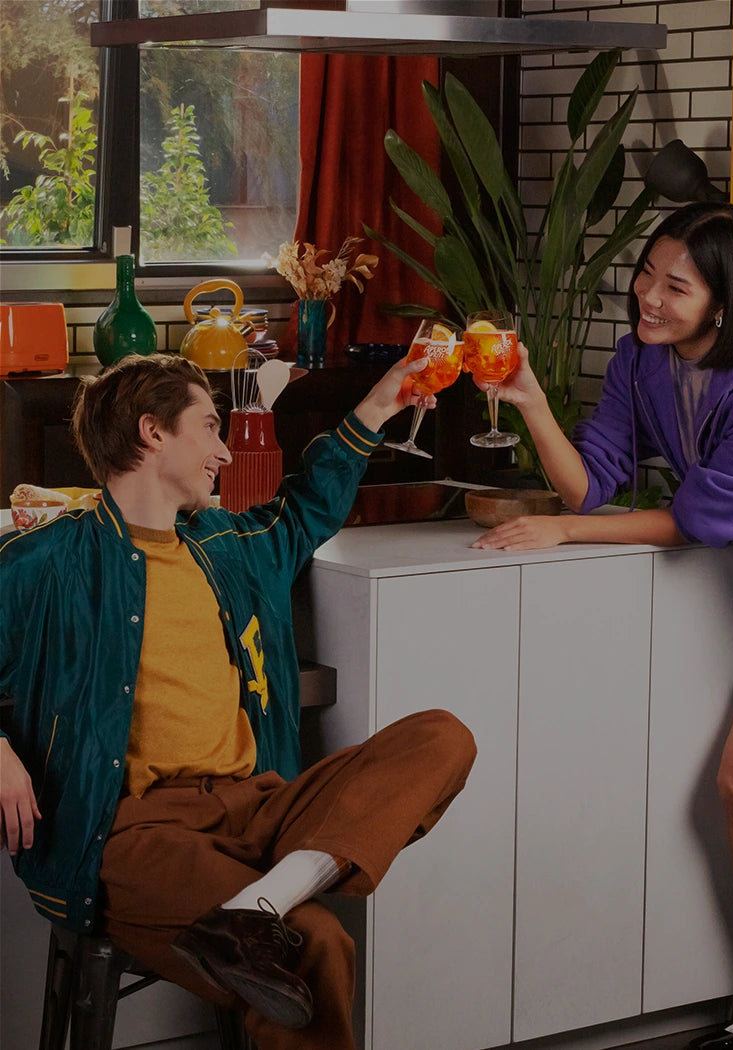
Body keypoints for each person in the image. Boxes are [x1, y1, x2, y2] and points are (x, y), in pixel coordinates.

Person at [0, 351, 477, 1050]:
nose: (225, 451)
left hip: (259, 804)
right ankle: (263, 914)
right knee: (312, 946)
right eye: (210, 427)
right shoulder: (44, 562)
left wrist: (380, 404)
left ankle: (258, 906)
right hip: (133, 834)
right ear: (152, 432)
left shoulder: (230, 547)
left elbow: (311, 502)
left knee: (441, 736)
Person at [472, 201, 733, 1049]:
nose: (646, 295)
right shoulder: (643, 362)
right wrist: (528, 398)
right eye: (647, 272)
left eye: (675, 285)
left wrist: (566, 531)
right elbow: (588, 481)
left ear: (724, 301)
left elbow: (698, 519)